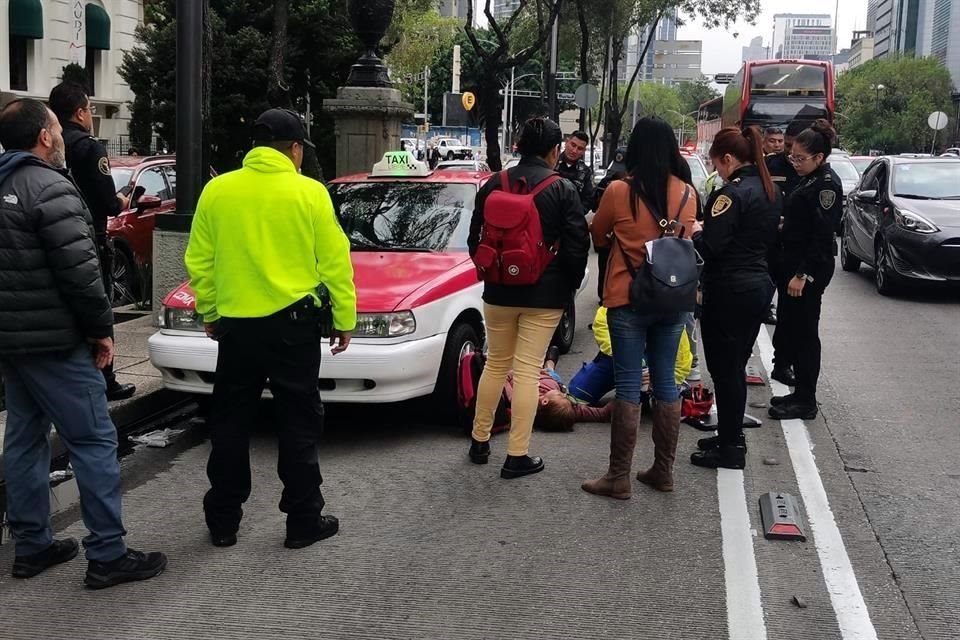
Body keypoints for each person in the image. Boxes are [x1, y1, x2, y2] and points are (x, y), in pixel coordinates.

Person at [0, 99, 167, 588]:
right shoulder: (51, 187)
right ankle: (108, 553)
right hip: (58, 341)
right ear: (45, 137)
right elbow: (81, 274)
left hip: (13, 343)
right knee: (93, 440)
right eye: (54, 128)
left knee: (25, 440)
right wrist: (101, 332)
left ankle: (32, 545)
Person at [184, 108, 357, 549]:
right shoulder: (310, 194)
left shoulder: (217, 191)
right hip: (294, 327)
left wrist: (211, 311)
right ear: (295, 149)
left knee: (229, 421)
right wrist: (344, 318)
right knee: (299, 421)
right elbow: (335, 261)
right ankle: (303, 520)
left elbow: (199, 261)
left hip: (237, 327)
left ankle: (223, 520)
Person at [467, 116, 590, 479]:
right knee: (526, 370)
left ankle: (479, 441)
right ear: (554, 150)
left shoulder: (493, 184)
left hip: (498, 290)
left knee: (495, 364)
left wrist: (491, 272)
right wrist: (567, 287)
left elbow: (475, 240)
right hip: (545, 294)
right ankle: (516, 454)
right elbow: (576, 246)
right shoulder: (562, 188)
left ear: (518, 145)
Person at [582, 117, 698, 498]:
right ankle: (662, 471)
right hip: (671, 298)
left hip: (627, 296)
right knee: (667, 381)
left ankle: (619, 477)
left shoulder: (618, 191)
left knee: (629, 383)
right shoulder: (687, 193)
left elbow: (598, 235)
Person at [689, 126, 781, 470]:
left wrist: (697, 233)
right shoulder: (770, 189)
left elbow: (713, 247)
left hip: (728, 289)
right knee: (734, 369)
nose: (717, 172)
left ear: (728, 159)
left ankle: (730, 447)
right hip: (757, 286)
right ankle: (729, 435)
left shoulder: (730, 195)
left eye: (717, 165)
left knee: (725, 371)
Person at [48, 82, 135, 402]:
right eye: (90, 110)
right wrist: (123, 201)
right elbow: (107, 203)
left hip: (53, 236)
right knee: (98, 303)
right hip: (90, 235)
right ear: (80, 112)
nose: (92, 116)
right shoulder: (89, 146)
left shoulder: (46, 145)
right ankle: (105, 377)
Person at [768, 119, 842, 421]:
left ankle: (807, 400)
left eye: (800, 158)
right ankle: (798, 394)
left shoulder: (826, 185)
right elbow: (802, 222)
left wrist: (803, 274)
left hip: (807, 271)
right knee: (794, 330)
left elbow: (823, 236)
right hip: (792, 264)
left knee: (806, 334)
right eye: (792, 157)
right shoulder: (810, 179)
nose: (794, 162)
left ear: (819, 158)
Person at [764, 120, 807, 338]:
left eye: (793, 147)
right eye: (786, 145)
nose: (789, 152)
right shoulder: (771, 165)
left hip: (794, 245)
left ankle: (783, 361)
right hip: (770, 241)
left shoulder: (810, 173)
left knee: (790, 307)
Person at [592, 147, 627, 303]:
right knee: (604, 274)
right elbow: (594, 206)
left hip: (623, 242)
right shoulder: (607, 182)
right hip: (607, 239)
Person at [556, 130, 595, 213]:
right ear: (566, 142)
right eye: (573, 145)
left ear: (584, 151)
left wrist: (577, 213)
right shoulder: (552, 163)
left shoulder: (585, 172)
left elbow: (588, 200)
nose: (574, 151)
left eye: (580, 148)